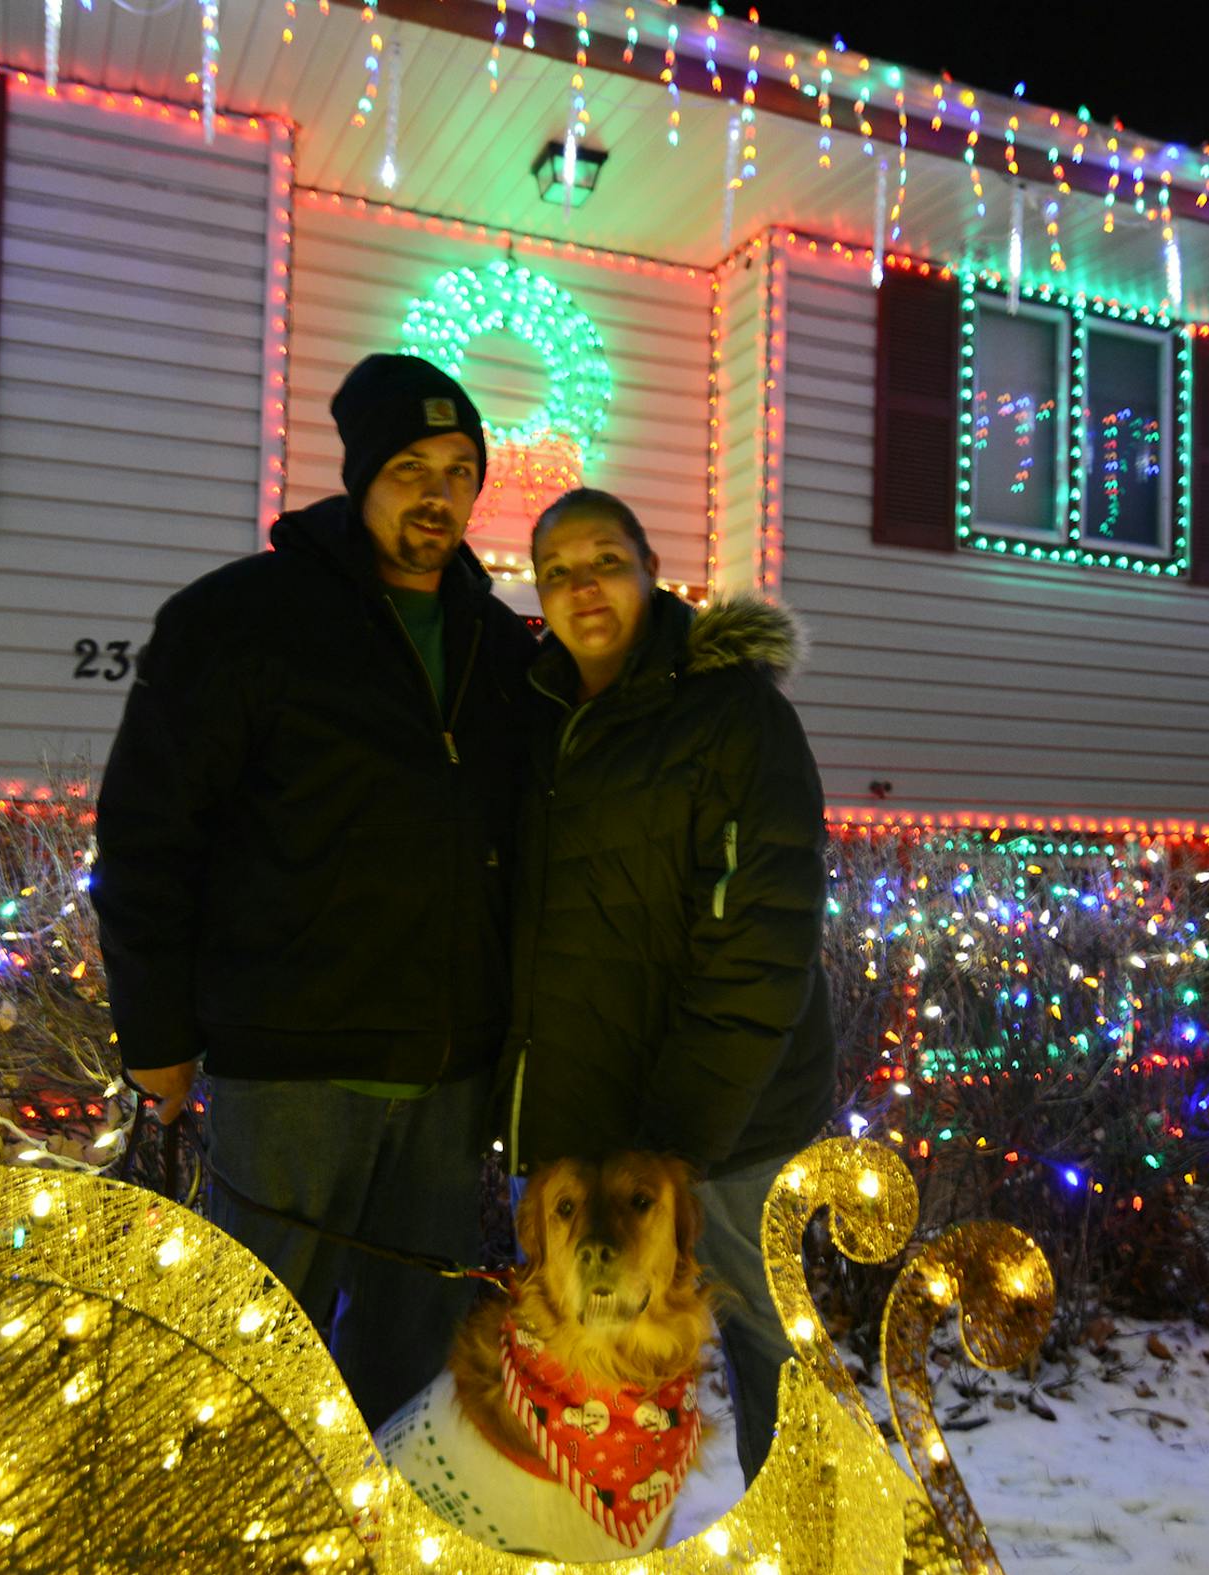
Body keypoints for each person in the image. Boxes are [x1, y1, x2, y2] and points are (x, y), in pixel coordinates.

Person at [92, 353, 537, 1432]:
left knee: (411, 1368)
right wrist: (156, 1030)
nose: (437, 492)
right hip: (292, 1073)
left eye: (459, 468)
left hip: (442, 1083)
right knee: (244, 1353)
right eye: (409, 467)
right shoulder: (243, 620)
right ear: (358, 477)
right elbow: (150, 835)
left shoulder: (500, 643)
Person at [500, 487, 836, 1484]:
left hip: (727, 1130)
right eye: (556, 571)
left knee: (769, 1348)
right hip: (592, 1126)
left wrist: (682, 1143)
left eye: (603, 558)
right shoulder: (541, 718)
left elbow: (758, 947)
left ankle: (807, 1538)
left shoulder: (733, 719)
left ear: (651, 572)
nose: (580, 585)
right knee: (586, 1372)